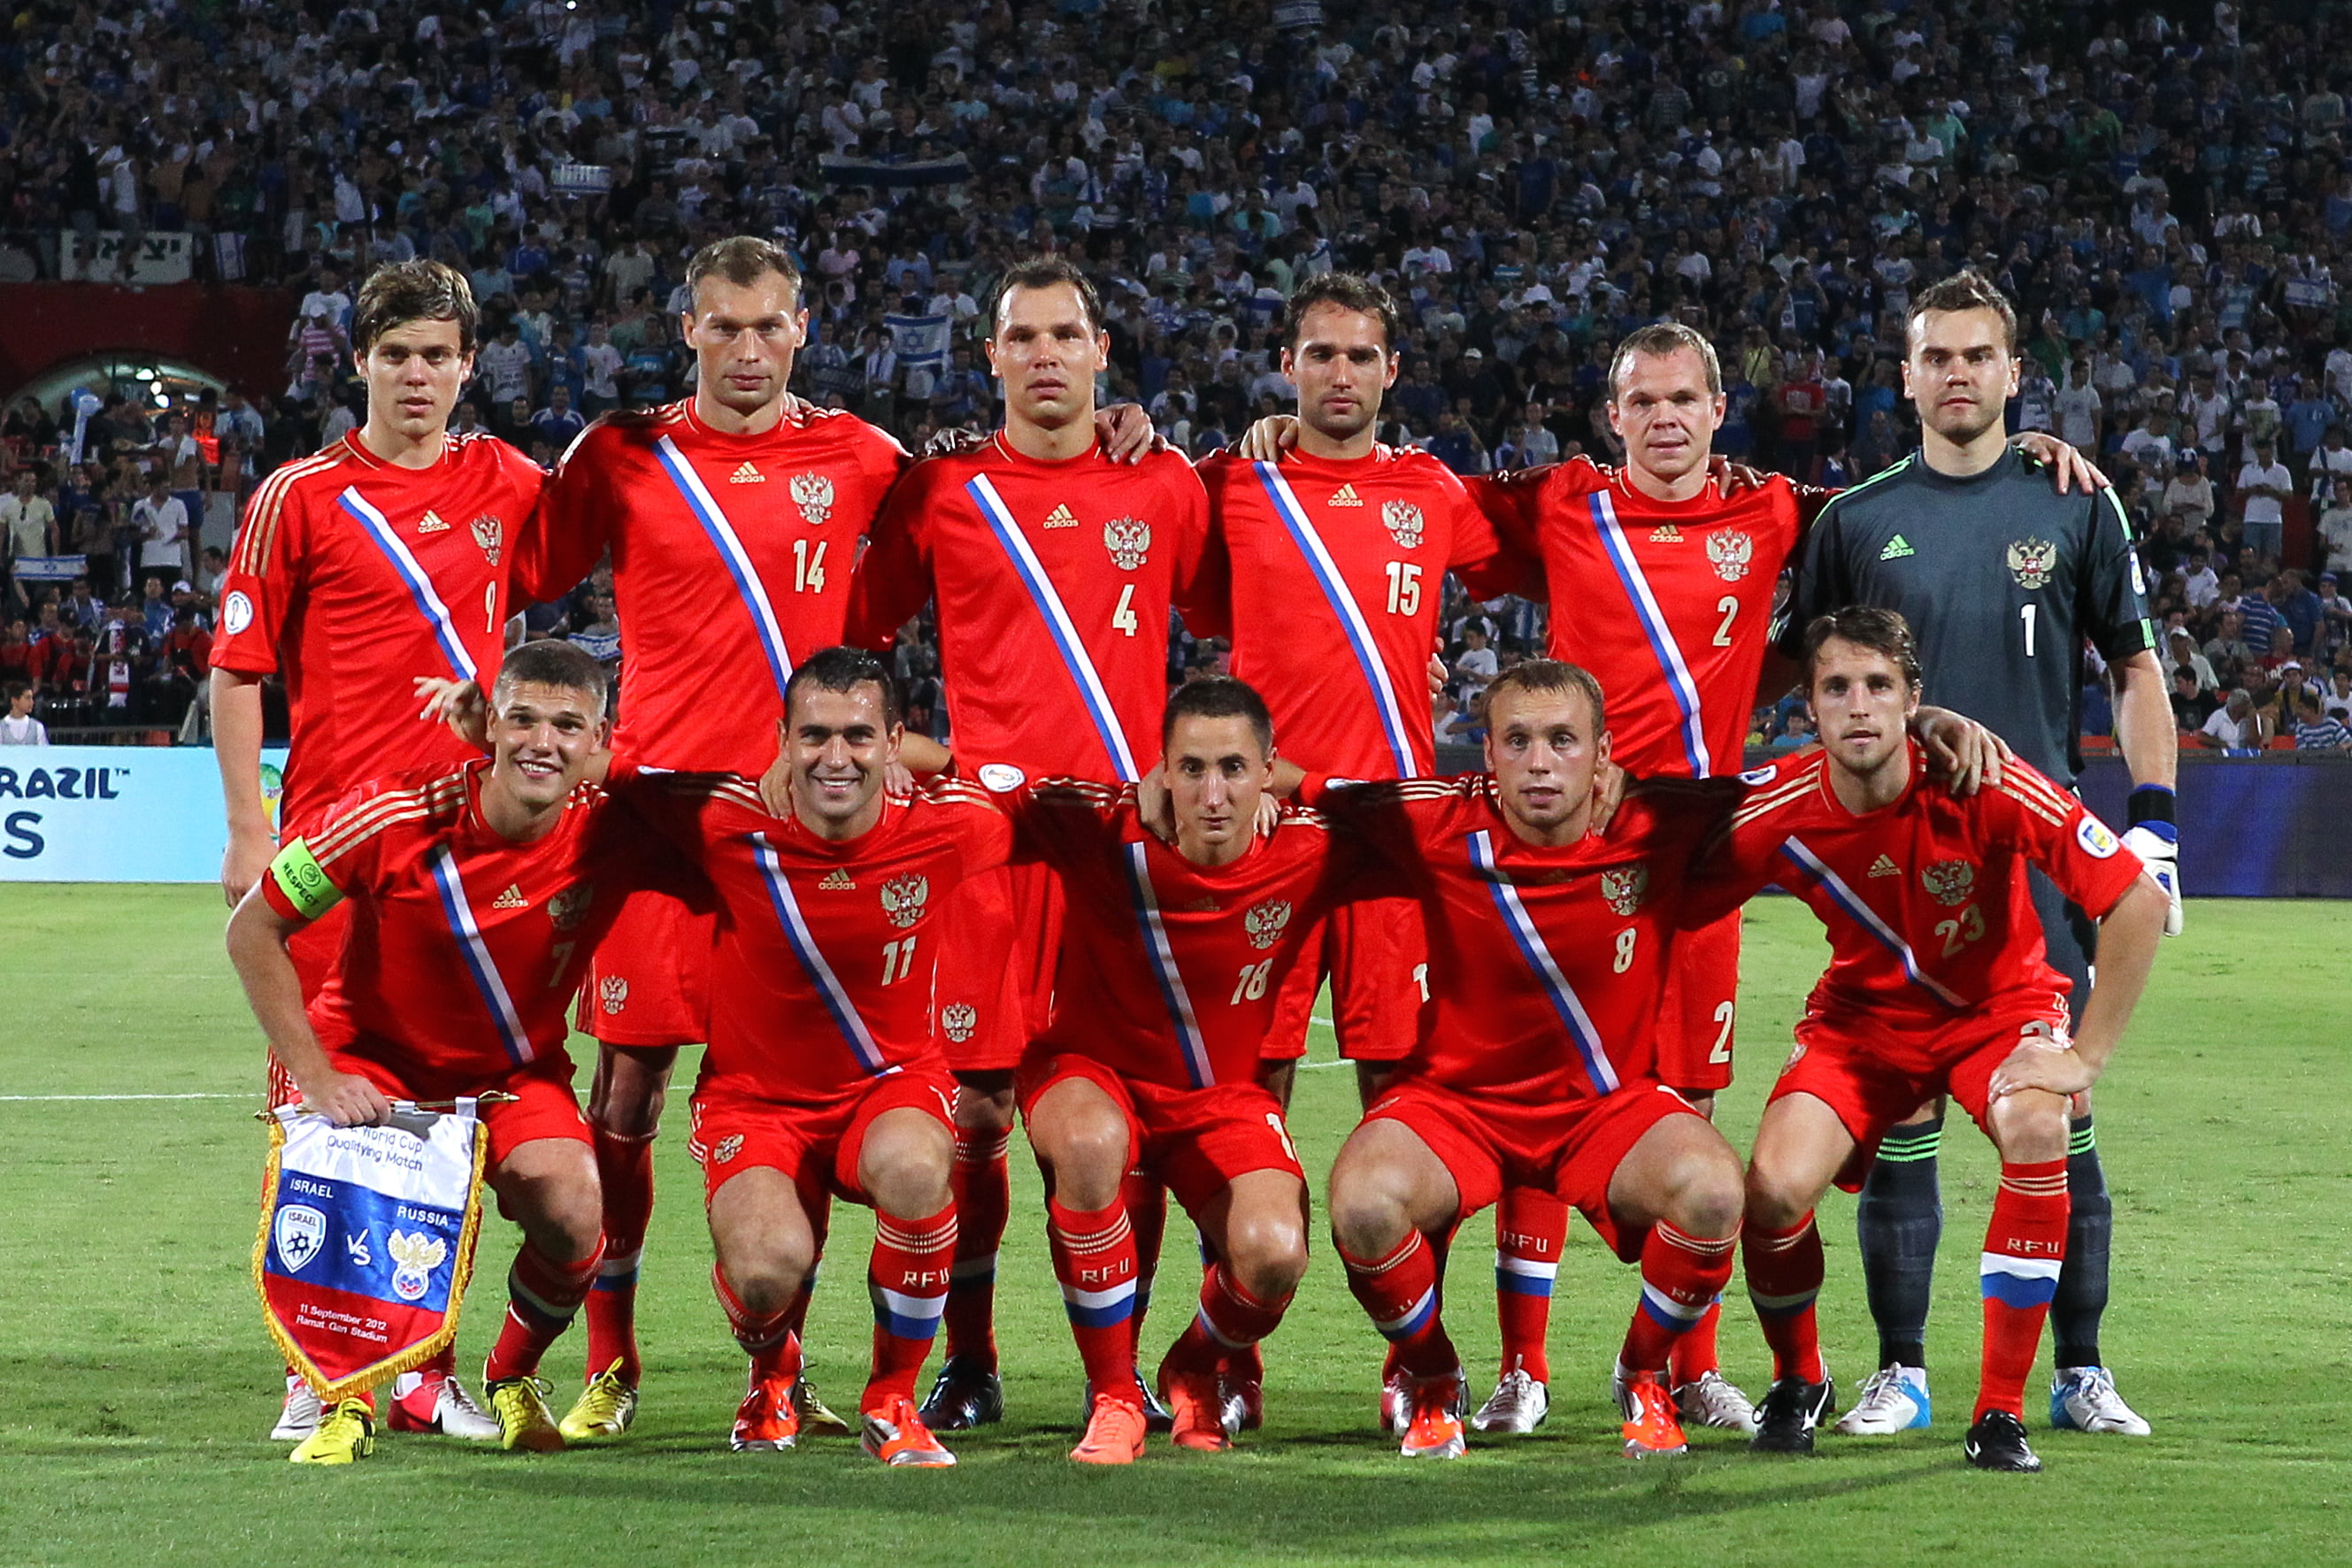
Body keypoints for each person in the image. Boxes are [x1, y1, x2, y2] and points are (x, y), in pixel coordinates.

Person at [513, 234, 913, 1441]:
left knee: (799, 1091)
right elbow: (510, 569)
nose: (747, 349)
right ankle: (613, 1363)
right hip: (649, 824)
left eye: (768, 326)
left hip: (794, 834)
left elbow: (986, 509)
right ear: (685, 331)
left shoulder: (861, 458)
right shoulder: (626, 457)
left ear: (805, 329)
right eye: (723, 327)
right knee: (625, 1093)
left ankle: (774, 1373)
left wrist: (1127, 430)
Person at [1777, 269, 2177, 1440]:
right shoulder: (1851, 520)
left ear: (2012, 375)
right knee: (1899, 1112)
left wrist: (2152, 824)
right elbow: (1800, 676)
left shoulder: (2073, 505)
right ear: (1906, 380)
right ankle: (1898, 1372)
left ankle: (2078, 1370)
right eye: (1935, 358)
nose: (1957, 374)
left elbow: (2135, 667)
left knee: (2057, 1106)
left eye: (1977, 356)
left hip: (2036, 861)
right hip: (1892, 873)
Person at [845, 256, 1213, 1433]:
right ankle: (973, 1357)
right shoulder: (942, 488)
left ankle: (1129, 1372)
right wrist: (932, 767)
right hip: (984, 854)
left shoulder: (1164, 485)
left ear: (1103, 354)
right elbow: (852, 647)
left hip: (1120, 852)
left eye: (1067, 335)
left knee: (1124, 1118)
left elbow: (1232, 623)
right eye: (1024, 338)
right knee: (973, 1116)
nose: (1047, 356)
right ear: (991, 357)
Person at [210, 257, 548, 1445]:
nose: (416, 374)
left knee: (445, 1111)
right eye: (394, 353)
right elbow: (239, 668)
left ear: (469, 365)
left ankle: (419, 1364)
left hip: (460, 852)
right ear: (357, 361)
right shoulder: (297, 496)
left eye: (436, 355)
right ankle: (320, 1362)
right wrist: (250, 827)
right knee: (321, 1106)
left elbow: (627, 525)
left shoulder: (511, 483)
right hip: (326, 844)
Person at [1715, 607, 2165, 1472]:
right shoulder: (1779, 802)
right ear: (1808, 704)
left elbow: (2135, 897)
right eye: (1837, 686)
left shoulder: (1982, 777)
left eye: (1878, 685)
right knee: (1770, 1191)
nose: (1858, 704)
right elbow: (1669, 871)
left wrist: (2084, 1056)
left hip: (1995, 1012)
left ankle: (1999, 1411)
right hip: (1860, 1023)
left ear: (1911, 697)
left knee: (2042, 1125)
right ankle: (1799, 1376)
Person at [1303, 659, 1749, 1462]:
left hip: (1605, 1107)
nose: (1540, 761)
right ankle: (1434, 1377)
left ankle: (1644, 1375)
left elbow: (1804, 788)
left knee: (1715, 1195)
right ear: (1488, 757)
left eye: (1561, 741)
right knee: (1365, 1206)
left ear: (1602, 755)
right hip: (1459, 1105)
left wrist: (1928, 730)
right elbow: (1300, 785)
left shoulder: (1659, 819)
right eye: (1518, 741)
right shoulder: (1434, 819)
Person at [225, 642, 649, 1462]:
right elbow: (255, 928)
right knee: (343, 1190)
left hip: (510, 1074)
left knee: (574, 1215)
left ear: (600, 742)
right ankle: (337, 1396)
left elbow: (701, 783)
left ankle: (509, 1374)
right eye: (521, 718)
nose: (542, 743)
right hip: (378, 1061)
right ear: (488, 725)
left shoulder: (616, 829)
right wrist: (316, 1074)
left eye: (569, 726)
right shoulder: (388, 815)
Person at [600, 648, 1013, 1467]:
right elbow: (605, 774)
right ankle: (773, 1372)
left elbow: (1079, 812)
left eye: (859, 737)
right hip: (755, 1102)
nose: (836, 757)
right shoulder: (721, 820)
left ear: (896, 742)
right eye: (815, 735)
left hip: (889, 1086)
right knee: (763, 1276)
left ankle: (892, 1398)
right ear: (782, 740)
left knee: (917, 1168)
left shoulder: (956, 823)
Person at [987, 680, 1353, 1461]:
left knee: (1276, 1252)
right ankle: (1115, 1396)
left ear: (1268, 772)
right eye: (1190, 769)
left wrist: (1306, 789)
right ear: (1159, 771)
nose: (1212, 793)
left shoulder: (1313, 845)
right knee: (1087, 1147)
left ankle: (1191, 1368)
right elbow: (965, 785)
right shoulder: (1101, 825)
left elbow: (1431, 812)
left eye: (1233, 768)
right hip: (1090, 1070)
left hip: (1219, 1098)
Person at [0, 679, 46, 744]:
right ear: (14, 700)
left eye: (32, 698)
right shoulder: (1, 728)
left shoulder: (38, 727)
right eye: (28, 698)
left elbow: (43, 752)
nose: (32, 702)